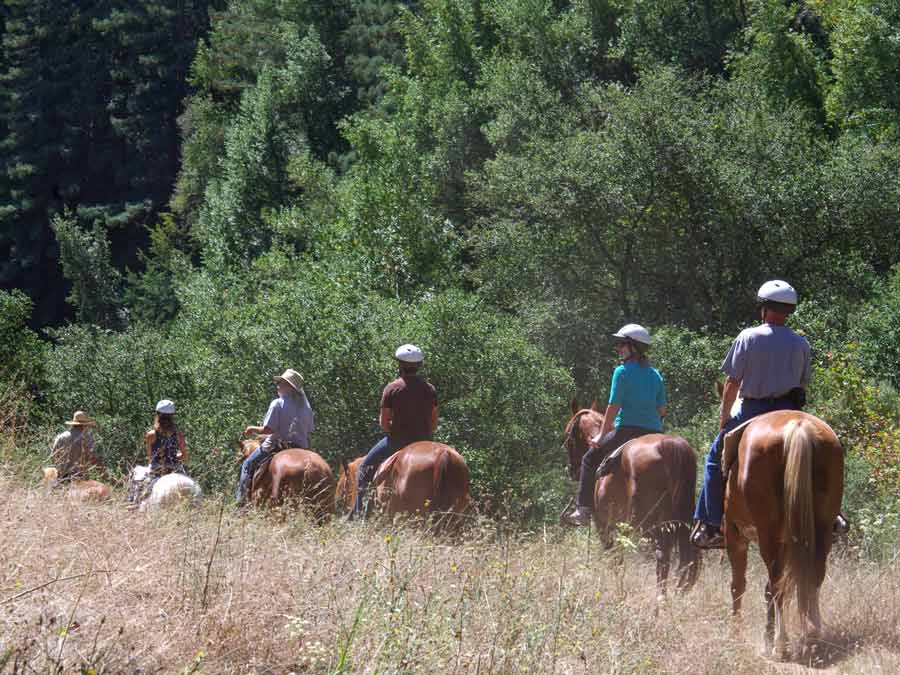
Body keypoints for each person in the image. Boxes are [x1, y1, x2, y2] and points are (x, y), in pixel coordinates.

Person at [691, 280, 810, 549]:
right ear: (788, 310)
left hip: (753, 410)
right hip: (790, 411)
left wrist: (724, 421)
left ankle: (712, 526)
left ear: (764, 308)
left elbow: (732, 383)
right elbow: (802, 385)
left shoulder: (748, 337)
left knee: (713, 460)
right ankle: (834, 515)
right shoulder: (801, 343)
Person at [563, 324, 667, 526]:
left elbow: (613, 405)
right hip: (654, 432)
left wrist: (602, 435)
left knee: (588, 459)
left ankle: (582, 510)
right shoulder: (655, 375)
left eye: (621, 344)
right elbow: (662, 410)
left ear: (634, 347)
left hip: (627, 431)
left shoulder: (621, 372)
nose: (617, 348)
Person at [346, 344, 438, 520]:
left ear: (399, 364)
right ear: (419, 365)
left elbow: (384, 421)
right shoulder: (430, 389)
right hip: (425, 441)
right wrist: (425, 436)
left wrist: (393, 435)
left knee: (365, 468)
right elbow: (434, 419)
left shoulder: (392, 388)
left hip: (397, 441)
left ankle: (359, 514)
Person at [235, 368, 315, 507]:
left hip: (276, 446)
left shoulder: (278, 403)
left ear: (290, 386)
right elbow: (309, 430)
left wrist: (252, 429)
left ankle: (240, 503)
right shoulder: (306, 408)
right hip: (302, 448)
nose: (278, 385)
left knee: (247, 464)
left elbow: (268, 429)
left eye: (281, 382)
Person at [49, 410, 103, 479]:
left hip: (61, 477)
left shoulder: (61, 437)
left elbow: (53, 456)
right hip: (80, 477)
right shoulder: (88, 438)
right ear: (85, 425)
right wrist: (103, 472)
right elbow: (93, 458)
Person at [146, 399, 189, 478]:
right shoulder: (179, 435)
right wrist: (174, 457)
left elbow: (150, 456)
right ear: (172, 416)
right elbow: (185, 456)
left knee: (141, 485)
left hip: (156, 469)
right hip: (175, 468)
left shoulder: (151, 434)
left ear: (157, 415)